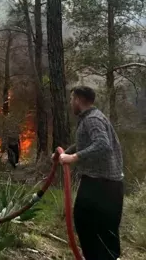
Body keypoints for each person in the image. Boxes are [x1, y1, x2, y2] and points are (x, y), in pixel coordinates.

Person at [56, 86, 124, 260]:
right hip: (108, 185)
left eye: (72, 99)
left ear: (78, 99)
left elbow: (102, 145)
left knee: (88, 225)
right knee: (102, 231)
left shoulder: (92, 120)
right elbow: (86, 142)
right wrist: (65, 153)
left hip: (100, 185)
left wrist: (74, 158)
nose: (71, 103)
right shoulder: (92, 117)